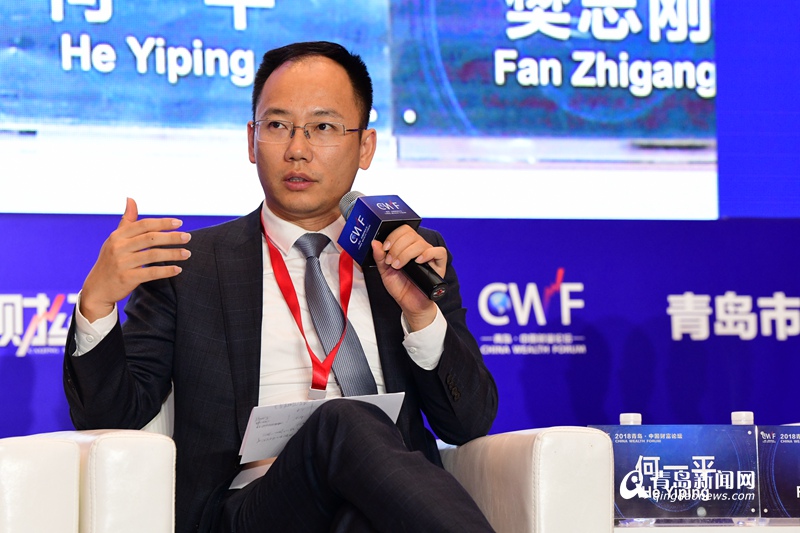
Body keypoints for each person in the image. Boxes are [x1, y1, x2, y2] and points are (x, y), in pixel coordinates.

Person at [64, 41, 498, 533]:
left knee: (358, 517)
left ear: (365, 146)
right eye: (277, 126)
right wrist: (97, 302)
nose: (297, 149)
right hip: (251, 508)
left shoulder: (407, 253)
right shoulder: (190, 268)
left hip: (383, 502)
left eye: (323, 127)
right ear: (251, 141)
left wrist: (421, 315)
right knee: (342, 420)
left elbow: (468, 422)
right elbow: (113, 419)